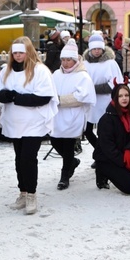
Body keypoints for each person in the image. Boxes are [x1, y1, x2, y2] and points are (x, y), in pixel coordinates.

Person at [0, 37, 58, 215]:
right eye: (15, 53)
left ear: (28, 52)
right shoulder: (7, 71)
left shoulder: (40, 71)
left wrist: (16, 97)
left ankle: (31, 194)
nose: (17, 55)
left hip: (33, 122)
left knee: (28, 158)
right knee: (18, 158)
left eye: (21, 52)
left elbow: (43, 96)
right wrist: (7, 96)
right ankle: (22, 191)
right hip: (15, 122)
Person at [50, 40, 96, 190]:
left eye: (68, 59)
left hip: (73, 115)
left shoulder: (83, 76)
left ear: (75, 60)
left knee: (68, 144)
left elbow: (82, 96)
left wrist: (60, 100)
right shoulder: (56, 74)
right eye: (63, 59)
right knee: (55, 141)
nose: (65, 62)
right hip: (58, 115)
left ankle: (65, 175)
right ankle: (72, 162)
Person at [94, 84, 130, 193]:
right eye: (120, 96)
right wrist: (123, 161)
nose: (124, 98)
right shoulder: (107, 119)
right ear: (115, 98)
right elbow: (107, 147)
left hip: (124, 152)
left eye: (126, 95)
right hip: (108, 158)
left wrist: (129, 151)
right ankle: (102, 171)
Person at [83, 34, 124, 154]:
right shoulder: (85, 63)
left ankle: (104, 155)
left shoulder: (110, 63)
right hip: (90, 102)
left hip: (105, 102)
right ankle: (100, 151)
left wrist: (94, 89)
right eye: (94, 49)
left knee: (103, 131)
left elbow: (115, 83)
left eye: (99, 48)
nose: (96, 51)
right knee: (87, 130)